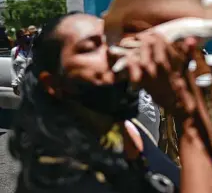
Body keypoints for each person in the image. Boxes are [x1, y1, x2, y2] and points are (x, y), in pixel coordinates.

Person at [9, 12, 201, 193]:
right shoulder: (59, 176)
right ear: (53, 83)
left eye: (113, 41)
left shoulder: (129, 128)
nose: (114, 52)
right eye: (90, 48)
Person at [10, 28, 33, 95]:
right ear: (19, 39)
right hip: (21, 85)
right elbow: (13, 68)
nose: (28, 37)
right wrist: (14, 84)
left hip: (33, 85)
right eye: (25, 36)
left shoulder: (34, 50)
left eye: (29, 35)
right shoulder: (15, 51)